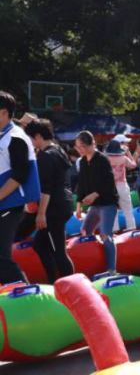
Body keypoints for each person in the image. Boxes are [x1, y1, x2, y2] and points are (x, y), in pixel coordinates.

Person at [24, 120, 75, 283]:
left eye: (30, 138)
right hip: (64, 203)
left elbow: (45, 189)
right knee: (40, 245)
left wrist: (41, 214)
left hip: (54, 208)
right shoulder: (58, 149)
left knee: (59, 251)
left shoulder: (46, 156)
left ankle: (71, 285)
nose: (30, 143)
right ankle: (53, 281)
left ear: (38, 136)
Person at [0, 92, 41, 284]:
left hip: (11, 206)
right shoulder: (4, 136)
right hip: (4, 204)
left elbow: (19, 175)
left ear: (4, 112)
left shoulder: (15, 137)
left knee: (1, 260)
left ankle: (26, 294)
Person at [74, 131, 119, 276]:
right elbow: (81, 184)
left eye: (82, 146)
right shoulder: (82, 161)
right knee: (85, 230)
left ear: (92, 144)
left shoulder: (102, 159)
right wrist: (79, 205)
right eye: (77, 147)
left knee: (105, 234)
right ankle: (92, 262)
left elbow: (109, 182)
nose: (79, 149)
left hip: (107, 203)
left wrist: (95, 194)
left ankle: (112, 270)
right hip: (94, 205)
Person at [106, 139, 137, 230]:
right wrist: (128, 153)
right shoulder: (123, 158)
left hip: (110, 186)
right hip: (122, 185)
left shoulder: (105, 158)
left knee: (112, 208)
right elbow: (133, 165)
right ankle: (131, 226)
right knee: (127, 208)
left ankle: (115, 228)